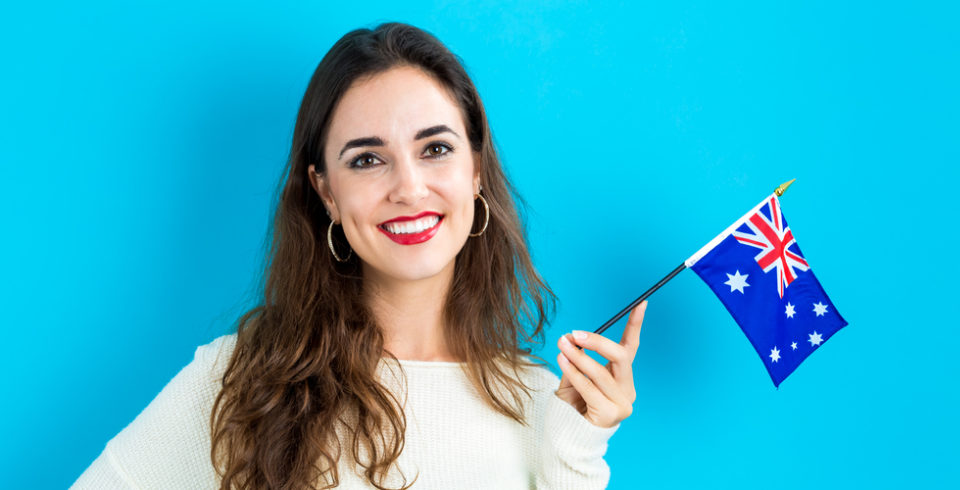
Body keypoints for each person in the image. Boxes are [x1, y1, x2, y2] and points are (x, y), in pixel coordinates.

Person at [71, 22, 647, 489]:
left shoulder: (540, 403)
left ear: (475, 169)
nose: (409, 187)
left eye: (436, 149)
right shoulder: (240, 380)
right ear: (325, 190)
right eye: (367, 160)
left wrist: (580, 440)